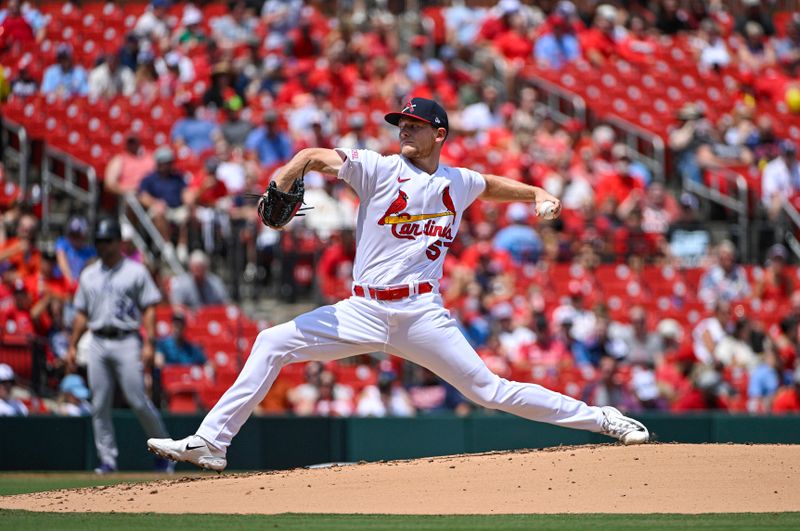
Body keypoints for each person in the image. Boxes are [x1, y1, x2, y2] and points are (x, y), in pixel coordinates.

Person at [147, 97, 649, 472]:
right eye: (401, 123)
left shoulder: (457, 181)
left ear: (439, 134)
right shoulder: (378, 169)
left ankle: (603, 419)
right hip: (360, 310)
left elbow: (493, 185)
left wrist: (538, 191)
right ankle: (212, 443)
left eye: (414, 124)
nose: (404, 130)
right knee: (271, 341)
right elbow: (316, 157)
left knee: (490, 391)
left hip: (420, 314)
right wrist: (289, 173)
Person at [67, 218, 172, 474]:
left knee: (138, 400)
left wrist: (149, 342)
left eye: (107, 241)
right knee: (100, 403)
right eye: (100, 241)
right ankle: (107, 460)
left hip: (126, 339)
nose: (103, 246)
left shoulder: (135, 271)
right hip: (98, 340)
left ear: (118, 242)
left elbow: (149, 308)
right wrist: (72, 344)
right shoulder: (89, 274)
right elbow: (81, 313)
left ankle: (165, 454)